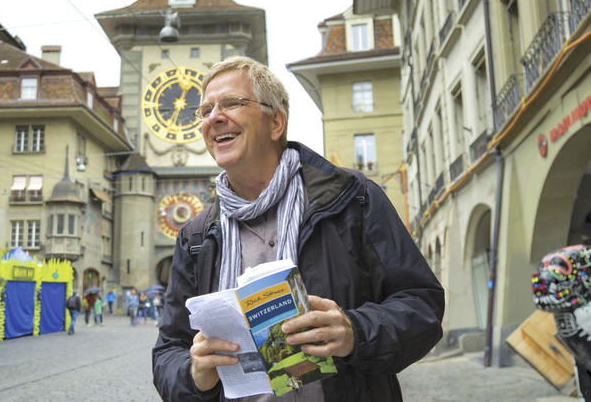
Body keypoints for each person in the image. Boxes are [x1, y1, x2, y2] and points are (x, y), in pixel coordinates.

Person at [152, 56, 445, 401]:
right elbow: (168, 351)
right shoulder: (197, 237)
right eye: (205, 110)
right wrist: (193, 373)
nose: (214, 117)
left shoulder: (351, 199)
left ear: (276, 122)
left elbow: (423, 305)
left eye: (232, 103)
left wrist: (355, 332)